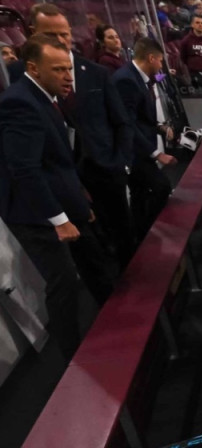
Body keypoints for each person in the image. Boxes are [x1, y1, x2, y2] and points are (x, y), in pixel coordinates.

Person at [13, 4, 132, 284]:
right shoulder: (18, 77)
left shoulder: (95, 72)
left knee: (124, 237)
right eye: (51, 35)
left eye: (64, 34)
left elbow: (121, 122)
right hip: (65, 183)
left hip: (106, 169)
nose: (61, 41)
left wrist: (122, 162)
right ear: (33, 34)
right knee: (91, 257)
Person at [0, 35, 89, 359]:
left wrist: (78, 194)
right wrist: (59, 220)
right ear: (34, 68)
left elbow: (55, 158)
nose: (68, 76)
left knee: (81, 267)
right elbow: (25, 169)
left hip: (54, 200)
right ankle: (73, 356)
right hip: (32, 212)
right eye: (59, 69)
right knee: (63, 281)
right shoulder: (20, 102)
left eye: (68, 68)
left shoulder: (43, 96)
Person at [112, 38, 178, 240]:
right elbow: (128, 124)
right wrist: (157, 154)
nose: (161, 65)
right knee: (161, 187)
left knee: (140, 195)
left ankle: (141, 236)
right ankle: (147, 232)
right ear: (151, 58)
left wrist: (159, 127)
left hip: (140, 147)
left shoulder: (139, 78)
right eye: (160, 60)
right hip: (133, 151)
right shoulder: (126, 80)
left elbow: (140, 117)